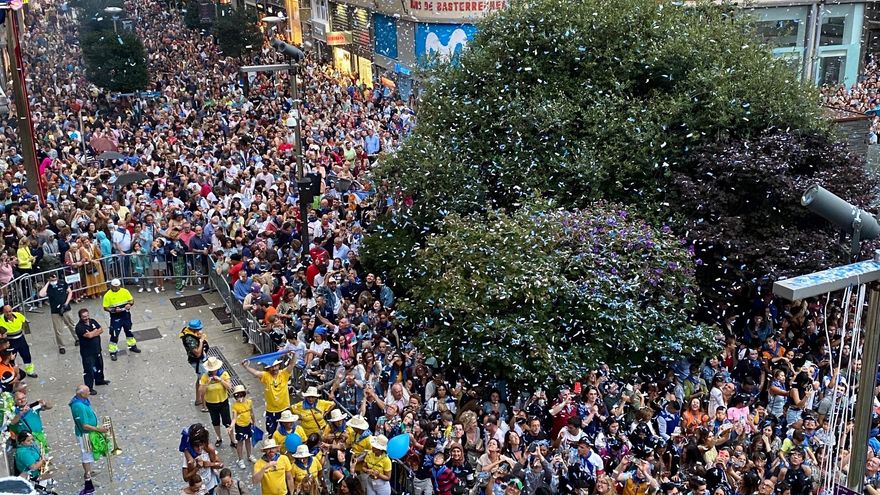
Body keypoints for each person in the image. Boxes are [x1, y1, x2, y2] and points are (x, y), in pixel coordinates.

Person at [241, 353, 297, 435]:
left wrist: (294, 354)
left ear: (278, 366)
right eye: (272, 367)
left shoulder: (284, 373)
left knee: (289, 431)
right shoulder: (266, 376)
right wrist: (246, 367)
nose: (274, 368)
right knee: (271, 432)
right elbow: (256, 373)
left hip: (284, 408)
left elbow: (292, 364)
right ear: (269, 368)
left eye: (275, 366)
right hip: (271, 410)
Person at [69, 384, 109, 495]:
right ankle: (88, 477)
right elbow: (84, 425)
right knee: (86, 455)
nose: (89, 393)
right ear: (81, 394)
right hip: (85, 435)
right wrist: (99, 430)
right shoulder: (79, 406)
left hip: (87, 433)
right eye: (87, 391)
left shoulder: (82, 401)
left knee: (88, 455)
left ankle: (89, 471)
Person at [199, 356, 236, 448]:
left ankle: (232, 440)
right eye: (211, 370)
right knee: (215, 422)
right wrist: (207, 383)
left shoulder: (224, 374)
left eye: (214, 369)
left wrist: (221, 380)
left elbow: (229, 387)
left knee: (227, 422)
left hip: (223, 402)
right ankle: (219, 438)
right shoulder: (205, 377)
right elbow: (201, 392)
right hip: (211, 403)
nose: (213, 371)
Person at [102, 278, 141, 360]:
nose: (116, 288)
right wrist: (113, 310)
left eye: (118, 287)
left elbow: (131, 300)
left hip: (125, 315)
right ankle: (113, 351)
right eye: (114, 287)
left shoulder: (125, 291)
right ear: (111, 286)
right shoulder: (107, 295)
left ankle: (132, 346)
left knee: (128, 331)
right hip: (115, 317)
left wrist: (129, 304)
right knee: (114, 334)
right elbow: (105, 307)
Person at [38, 271, 78, 354]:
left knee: (72, 325)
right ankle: (61, 346)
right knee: (58, 330)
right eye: (52, 278)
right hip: (55, 311)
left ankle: (77, 338)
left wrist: (66, 303)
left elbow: (70, 292)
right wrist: (48, 283)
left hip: (66, 308)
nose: (54, 280)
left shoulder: (62, 283)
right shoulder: (48, 287)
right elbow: (41, 294)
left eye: (55, 278)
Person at [74, 308, 109, 395]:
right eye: (84, 317)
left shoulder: (92, 321)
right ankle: (89, 387)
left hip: (97, 349)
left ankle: (99, 380)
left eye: (87, 316)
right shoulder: (79, 327)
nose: (86, 318)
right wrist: (95, 332)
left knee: (99, 365)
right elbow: (89, 336)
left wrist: (93, 333)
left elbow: (101, 330)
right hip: (87, 353)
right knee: (89, 370)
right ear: (80, 317)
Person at [0, 305, 37, 377]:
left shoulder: (18, 315)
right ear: (3, 312)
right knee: (10, 358)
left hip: (21, 339)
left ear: (12, 310)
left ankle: (30, 371)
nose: (8, 313)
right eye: (6, 312)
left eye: (10, 311)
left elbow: (25, 322)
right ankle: (11, 374)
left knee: (26, 355)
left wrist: (27, 332)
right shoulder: (0, 319)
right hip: (10, 341)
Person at [181, 319, 209, 409]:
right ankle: (205, 405)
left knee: (200, 380)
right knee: (204, 383)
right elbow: (197, 353)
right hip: (198, 362)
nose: (200, 330)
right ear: (193, 329)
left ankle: (198, 400)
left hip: (200, 361)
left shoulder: (191, 333)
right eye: (198, 329)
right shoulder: (189, 339)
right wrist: (201, 341)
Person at [231, 385, 257, 469]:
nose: (239, 397)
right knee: (240, 442)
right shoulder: (235, 406)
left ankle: (249, 455)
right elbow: (234, 418)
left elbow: (251, 413)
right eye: (237, 395)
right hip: (240, 426)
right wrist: (231, 426)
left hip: (248, 424)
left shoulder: (249, 402)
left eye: (241, 394)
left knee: (248, 440)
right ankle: (240, 459)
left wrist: (254, 421)